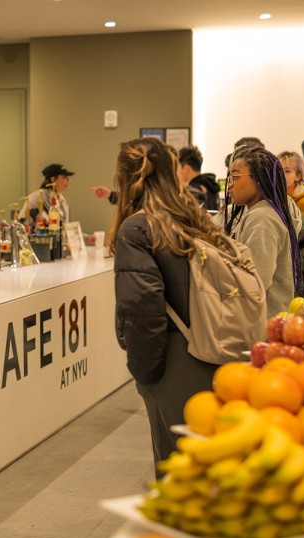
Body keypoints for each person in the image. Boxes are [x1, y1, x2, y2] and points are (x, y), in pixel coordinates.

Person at [111, 137, 230, 464]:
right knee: (209, 459)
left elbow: (142, 309)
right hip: (211, 346)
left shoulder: (137, 228)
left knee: (176, 466)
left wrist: (145, 372)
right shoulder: (193, 215)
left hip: (171, 356)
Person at [222, 146, 303, 316]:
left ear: (259, 180)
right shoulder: (260, 213)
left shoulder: (262, 219)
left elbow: (255, 282)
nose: (230, 184)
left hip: (263, 324)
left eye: (235, 177)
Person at [177, 145, 220, 211]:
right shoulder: (211, 185)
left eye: (177, 167)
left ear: (186, 168)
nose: (176, 171)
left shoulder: (193, 192)